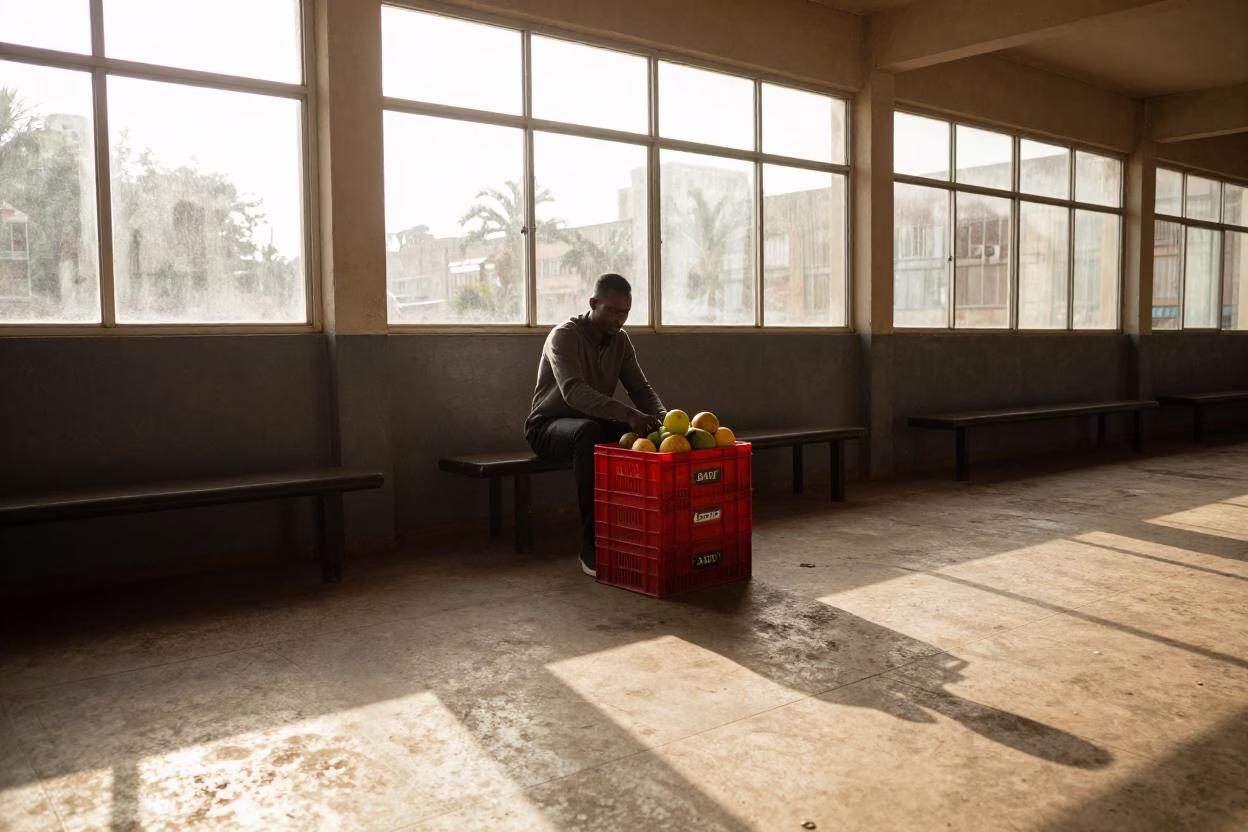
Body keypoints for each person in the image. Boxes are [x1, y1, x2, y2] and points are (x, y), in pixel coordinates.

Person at [526, 273, 665, 576]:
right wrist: (629, 414)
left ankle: (635, 534)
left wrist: (664, 422)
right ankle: (592, 546)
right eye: (613, 311)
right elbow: (573, 391)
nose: (619, 319)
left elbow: (640, 389)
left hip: (589, 424)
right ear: (593, 304)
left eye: (625, 312)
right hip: (547, 428)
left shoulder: (621, 341)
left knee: (639, 435)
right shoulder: (564, 336)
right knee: (591, 432)